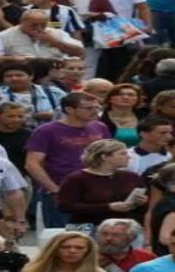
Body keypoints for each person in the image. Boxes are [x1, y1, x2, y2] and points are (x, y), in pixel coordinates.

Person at [24, 91, 110, 229]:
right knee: (65, 234)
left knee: (98, 233)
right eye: (89, 108)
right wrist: (53, 189)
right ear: (70, 109)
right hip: (63, 190)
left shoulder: (100, 127)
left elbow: (109, 155)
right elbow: (32, 164)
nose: (95, 111)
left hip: (96, 191)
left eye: (97, 108)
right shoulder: (46, 131)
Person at [57, 139, 147, 226]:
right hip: (88, 226)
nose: (129, 157)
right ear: (104, 157)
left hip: (125, 227)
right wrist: (108, 207)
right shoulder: (77, 179)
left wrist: (143, 202)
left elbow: (145, 204)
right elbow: (65, 206)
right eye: (122, 154)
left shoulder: (131, 177)